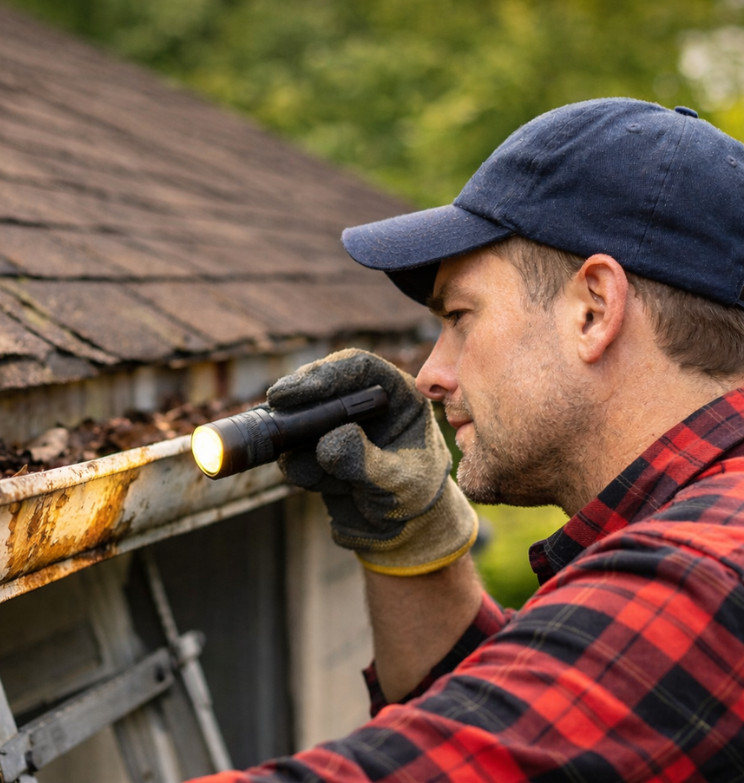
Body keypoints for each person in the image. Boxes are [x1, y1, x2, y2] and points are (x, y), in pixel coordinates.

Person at [188, 98, 744, 782]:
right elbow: (515, 721)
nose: (430, 376)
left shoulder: (707, 568)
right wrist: (415, 544)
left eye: (459, 316)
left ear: (594, 309)